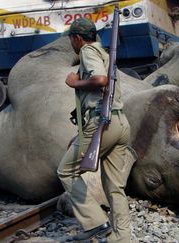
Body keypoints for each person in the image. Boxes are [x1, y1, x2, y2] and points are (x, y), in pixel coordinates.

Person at [57, 18, 134, 242]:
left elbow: (100, 80)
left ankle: (95, 221)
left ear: (77, 38)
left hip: (102, 123)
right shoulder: (105, 54)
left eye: (72, 39)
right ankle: (122, 238)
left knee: (66, 171)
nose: (72, 43)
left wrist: (74, 83)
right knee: (115, 187)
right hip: (120, 124)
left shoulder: (88, 51)